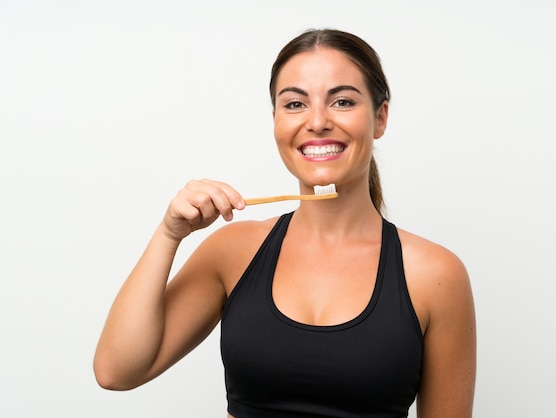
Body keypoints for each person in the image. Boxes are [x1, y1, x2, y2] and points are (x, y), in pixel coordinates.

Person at [93, 28, 476, 417]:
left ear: (380, 118)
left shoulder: (435, 274)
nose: (317, 121)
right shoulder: (234, 251)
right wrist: (168, 234)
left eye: (342, 101)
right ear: (276, 120)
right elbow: (116, 371)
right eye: (294, 104)